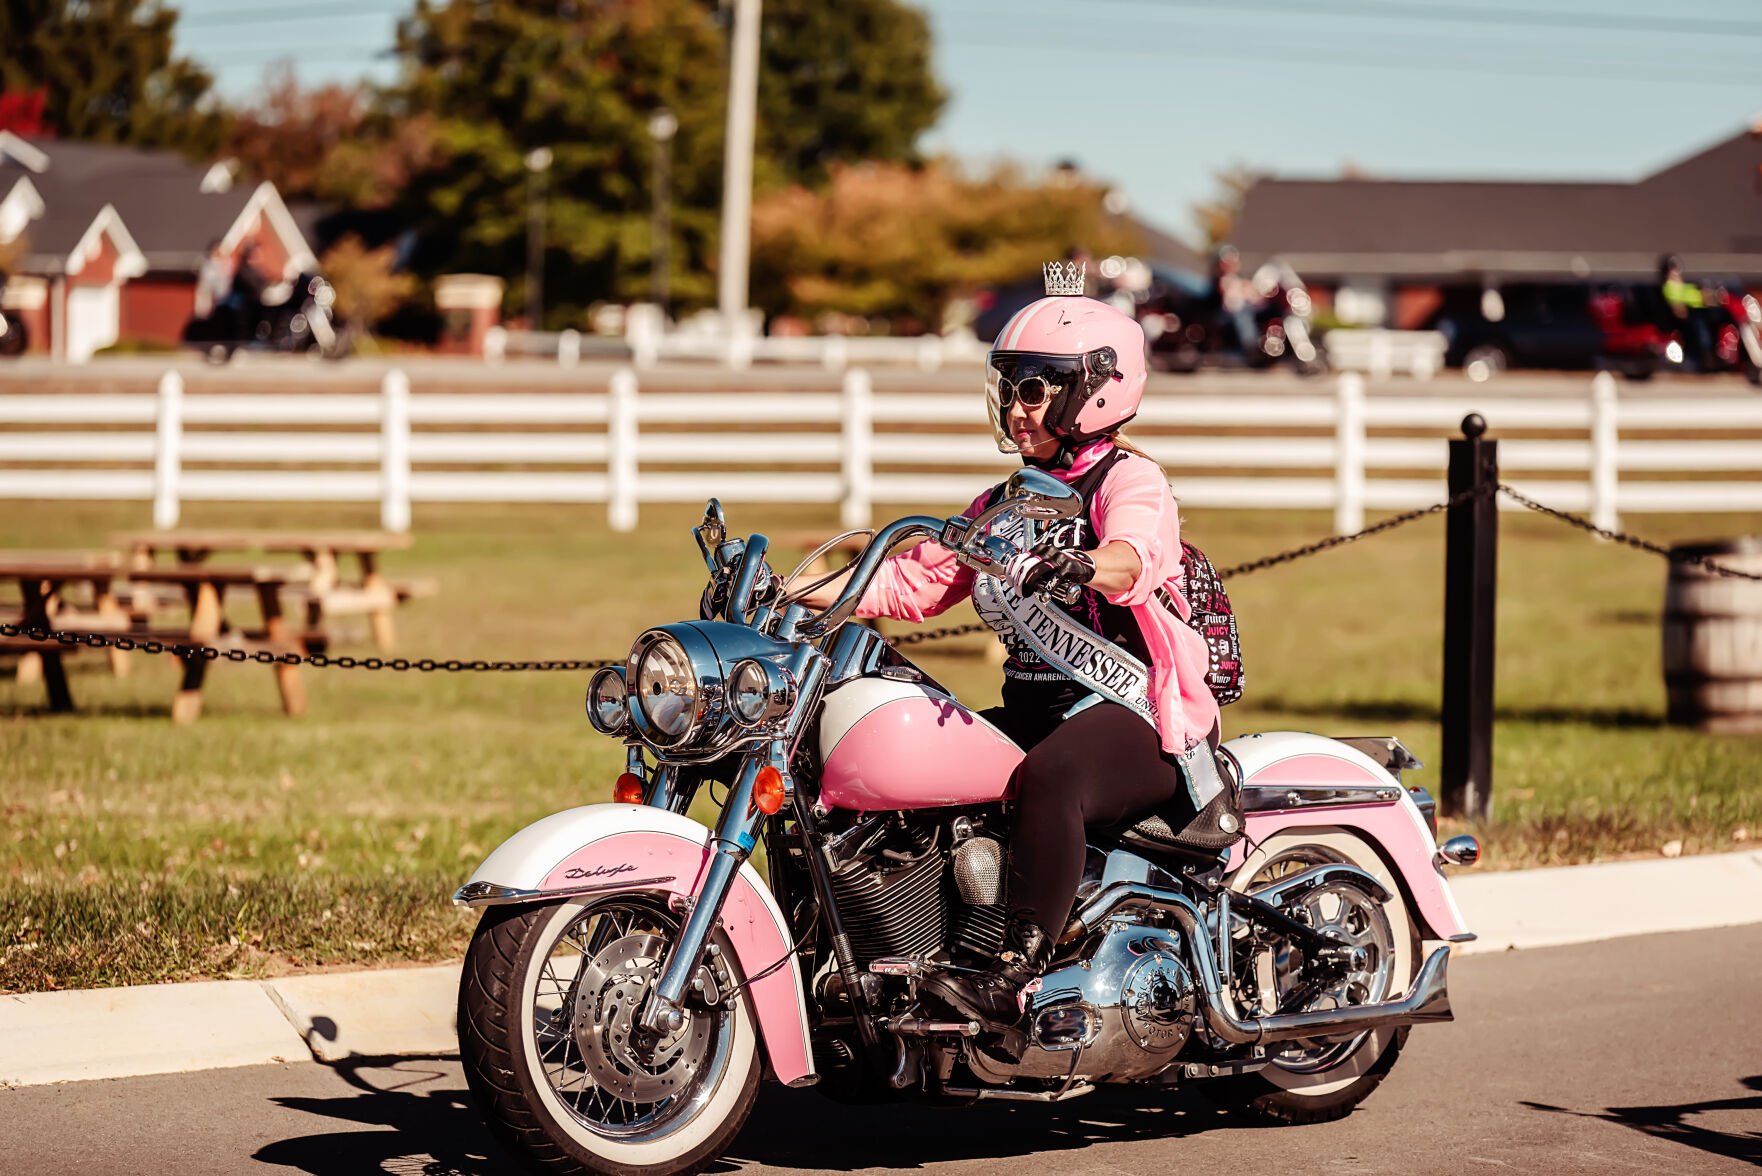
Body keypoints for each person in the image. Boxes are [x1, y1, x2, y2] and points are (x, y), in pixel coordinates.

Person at [797, 263, 1226, 1053]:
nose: (1016, 405)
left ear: (1093, 389)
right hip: (1037, 713)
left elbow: (1135, 558)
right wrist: (798, 591)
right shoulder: (1007, 501)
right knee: (901, 771)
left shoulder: (1129, 479)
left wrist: (1084, 563)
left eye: (1036, 387)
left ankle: (1010, 973)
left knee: (1050, 779)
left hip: (1134, 715)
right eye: (1011, 386)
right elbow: (917, 580)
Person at [1659, 253, 1712, 369]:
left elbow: (1704, 299)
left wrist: (1705, 296)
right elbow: (1679, 311)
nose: (1676, 276)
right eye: (1672, 273)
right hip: (1680, 327)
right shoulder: (1668, 287)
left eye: (1677, 273)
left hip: (1694, 320)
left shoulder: (1686, 287)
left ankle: (1707, 355)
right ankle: (1704, 354)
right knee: (1698, 326)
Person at [1210, 244, 1262, 357]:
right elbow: (1227, 296)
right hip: (1227, 313)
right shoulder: (1221, 280)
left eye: (1233, 261)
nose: (1232, 265)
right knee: (1242, 315)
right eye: (1228, 262)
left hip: (1246, 308)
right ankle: (1250, 346)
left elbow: (1254, 295)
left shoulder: (1240, 280)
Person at [193, 239, 231, 321]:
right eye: (217, 249)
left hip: (223, 301)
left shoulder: (225, 263)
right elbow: (208, 285)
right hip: (210, 299)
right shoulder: (209, 265)